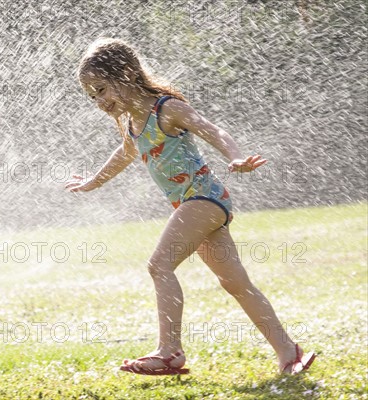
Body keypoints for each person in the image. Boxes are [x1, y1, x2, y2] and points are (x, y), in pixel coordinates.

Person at [65, 38, 316, 375]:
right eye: (91, 95)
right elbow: (124, 154)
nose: (98, 101)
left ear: (125, 74)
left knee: (159, 266)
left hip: (204, 199)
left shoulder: (166, 109)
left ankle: (169, 352)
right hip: (192, 204)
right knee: (236, 283)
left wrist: (236, 156)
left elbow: (213, 130)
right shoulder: (132, 124)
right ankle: (289, 352)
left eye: (101, 89)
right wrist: (93, 181)